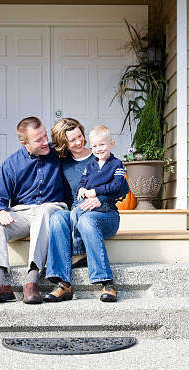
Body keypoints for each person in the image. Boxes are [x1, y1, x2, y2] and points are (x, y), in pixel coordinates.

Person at [0, 117, 67, 305]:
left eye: (45, 136)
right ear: (24, 144)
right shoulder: (11, 164)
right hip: (23, 213)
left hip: (53, 209)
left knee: (44, 211)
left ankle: (32, 281)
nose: (45, 142)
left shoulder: (58, 154)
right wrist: (0, 212)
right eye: (38, 140)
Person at [44, 123, 128, 303]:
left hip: (104, 213)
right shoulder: (64, 164)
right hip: (79, 208)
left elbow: (123, 188)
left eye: (79, 136)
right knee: (58, 218)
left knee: (86, 221)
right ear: (64, 144)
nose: (78, 142)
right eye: (71, 140)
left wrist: (101, 198)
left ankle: (106, 282)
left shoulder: (101, 154)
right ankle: (63, 284)